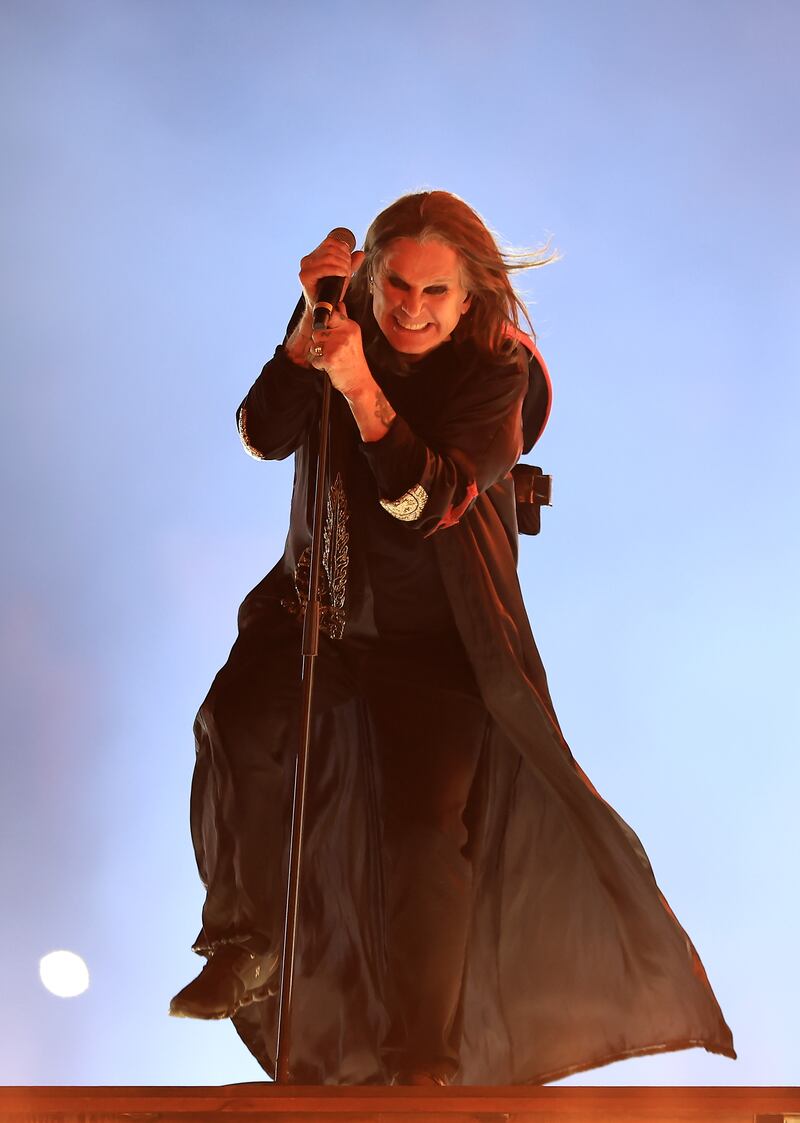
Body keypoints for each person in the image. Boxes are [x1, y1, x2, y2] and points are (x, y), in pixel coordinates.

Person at [170, 191, 735, 1086]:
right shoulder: (337, 312)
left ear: (469, 298)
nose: (411, 309)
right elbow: (262, 434)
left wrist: (355, 385)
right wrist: (303, 344)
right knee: (234, 723)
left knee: (425, 834)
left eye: (436, 293)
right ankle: (244, 943)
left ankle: (421, 1065)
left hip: (435, 637)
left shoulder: (494, 374)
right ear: (369, 271)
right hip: (313, 610)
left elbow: (420, 502)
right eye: (395, 284)